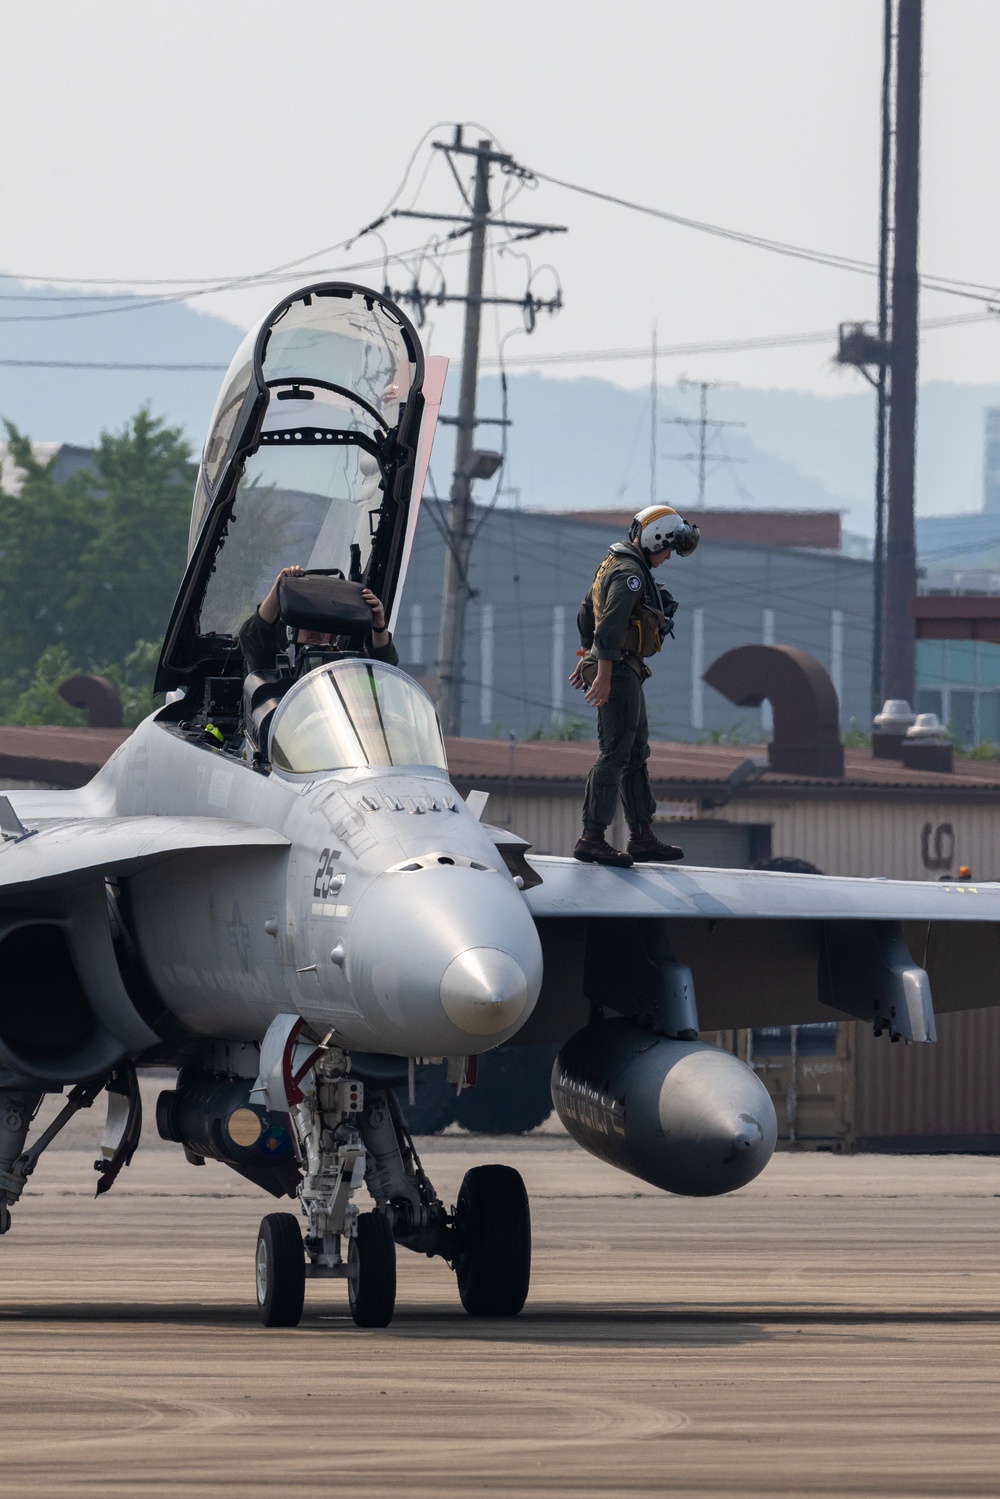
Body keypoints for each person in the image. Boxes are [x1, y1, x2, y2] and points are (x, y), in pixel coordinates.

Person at [570, 505, 700, 867]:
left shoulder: (614, 563)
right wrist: (604, 672)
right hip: (619, 668)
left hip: (621, 666)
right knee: (615, 751)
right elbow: (610, 624)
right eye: (668, 548)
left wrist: (586, 655)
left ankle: (642, 835)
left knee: (635, 751)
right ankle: (592, 837)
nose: (669, 555)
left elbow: (585, 612)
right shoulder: (630, 573)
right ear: (655, 539)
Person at [239, 565, 399, 674]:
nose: (315, 630)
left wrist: (378, 625)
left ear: (333, 635)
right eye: (308, 624)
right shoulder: (277, 666)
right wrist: (279, 588)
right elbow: (253, 637)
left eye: (323, 626)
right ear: (293, 630)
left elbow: (384, 668)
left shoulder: (347, 670)